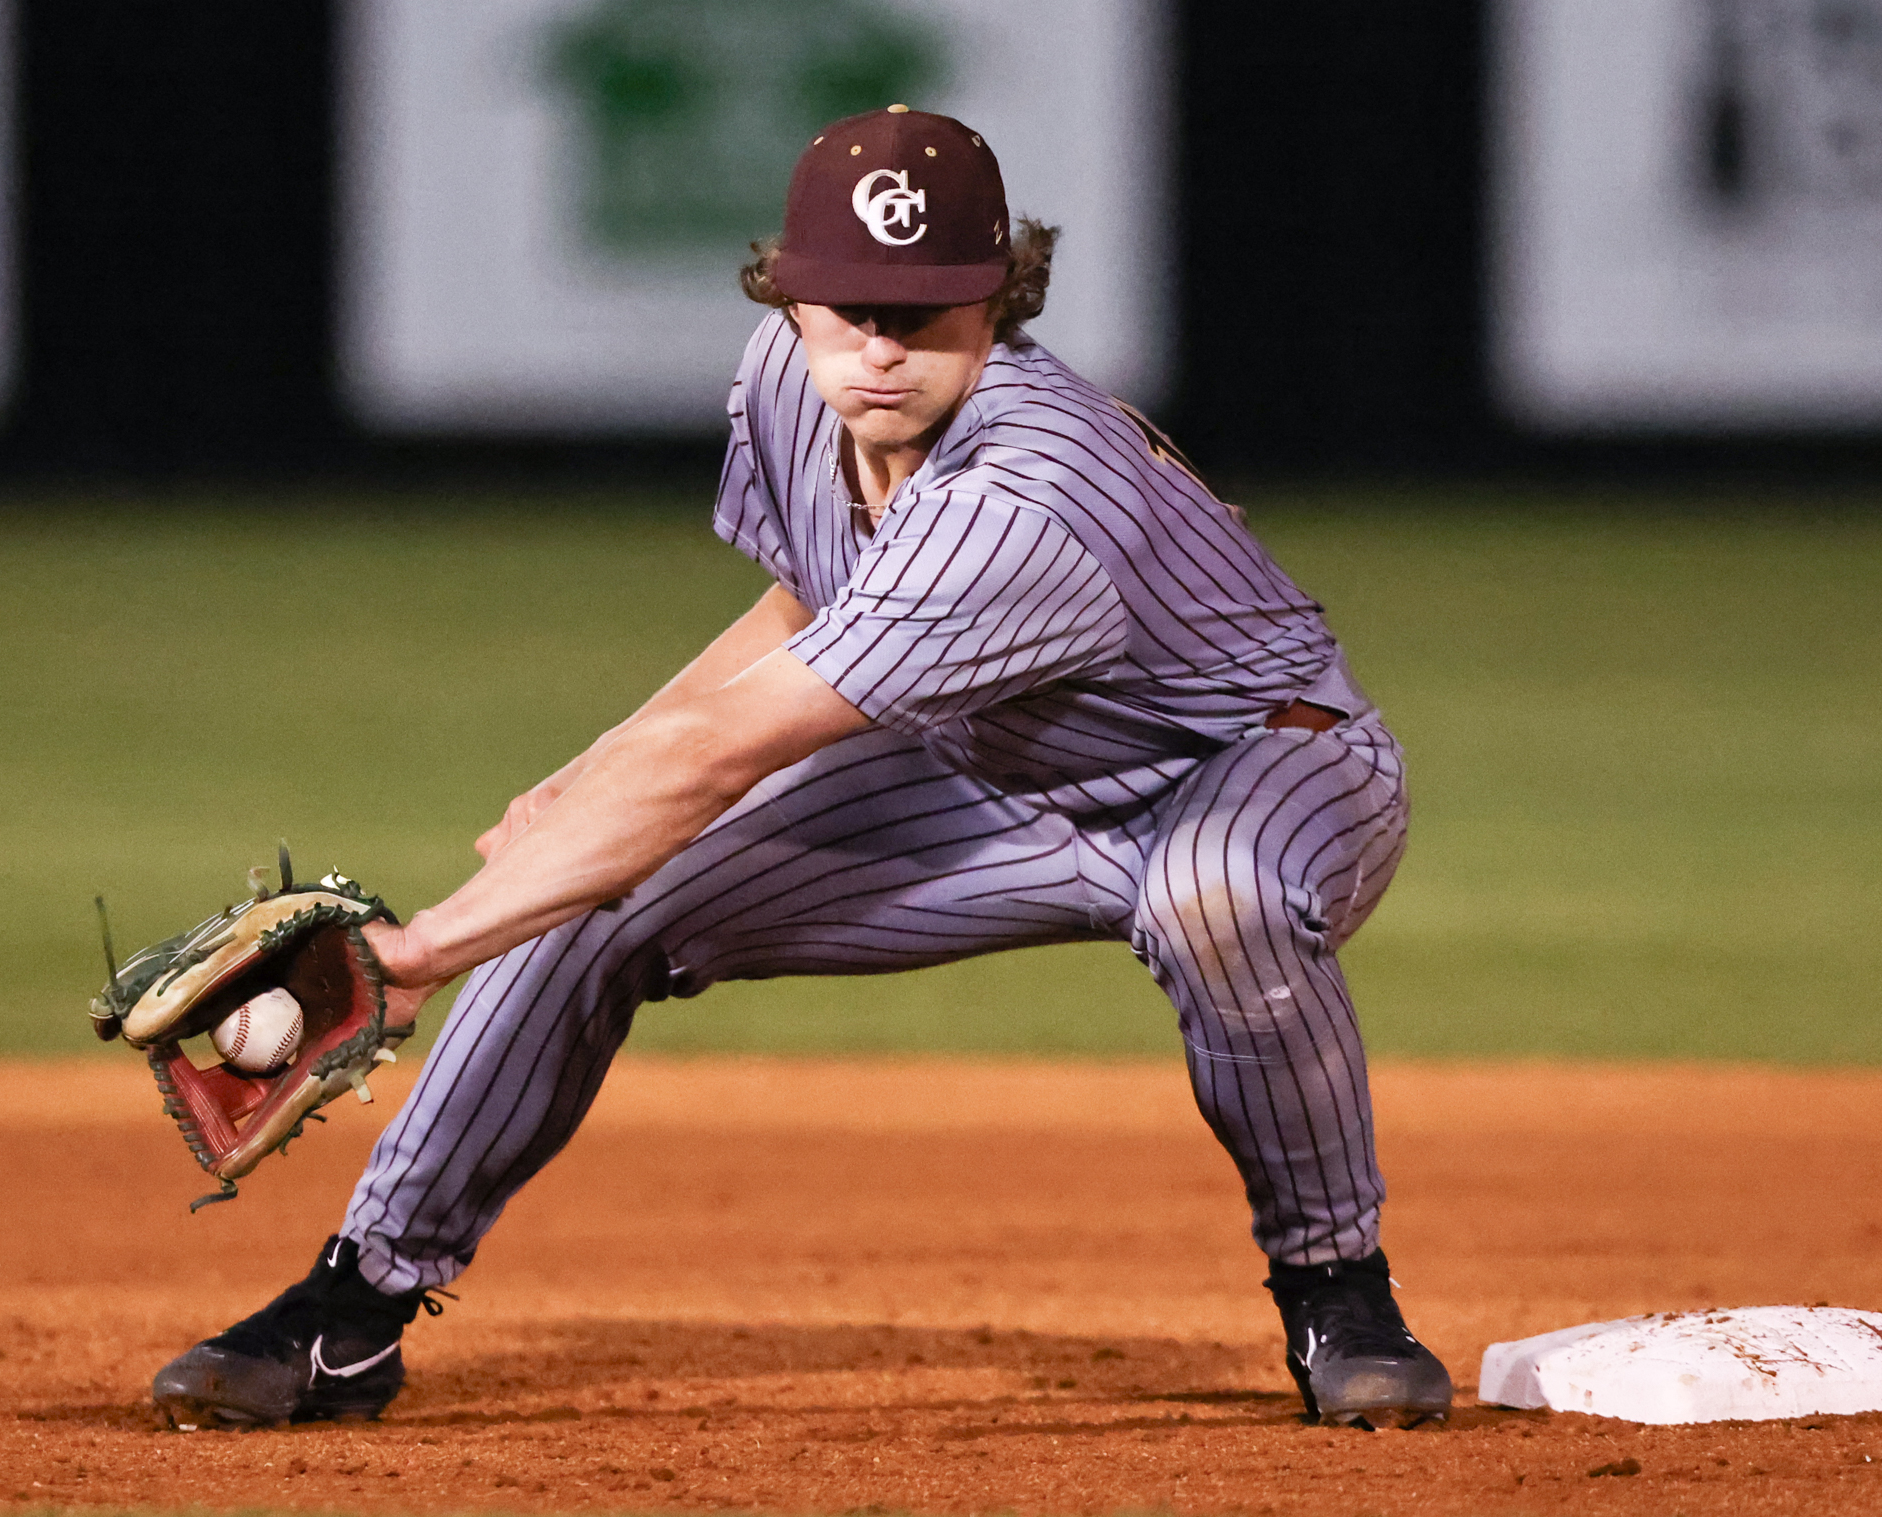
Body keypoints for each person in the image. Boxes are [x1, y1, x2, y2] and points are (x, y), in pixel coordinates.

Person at [151, 106, 1452, 1432]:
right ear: (788, 293)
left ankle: (1337, 1289)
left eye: (924, 312)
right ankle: (353, 1311)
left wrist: (417, 953)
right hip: (1001, 764)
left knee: (1215, 897)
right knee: (586, 888)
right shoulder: (789, 375)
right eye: (850, 307)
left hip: (1258, 760)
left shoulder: (1026, 495)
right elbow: (810, 599)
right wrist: (594, 776)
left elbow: (725, 752)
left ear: (1000, 298)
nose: (880, 347)